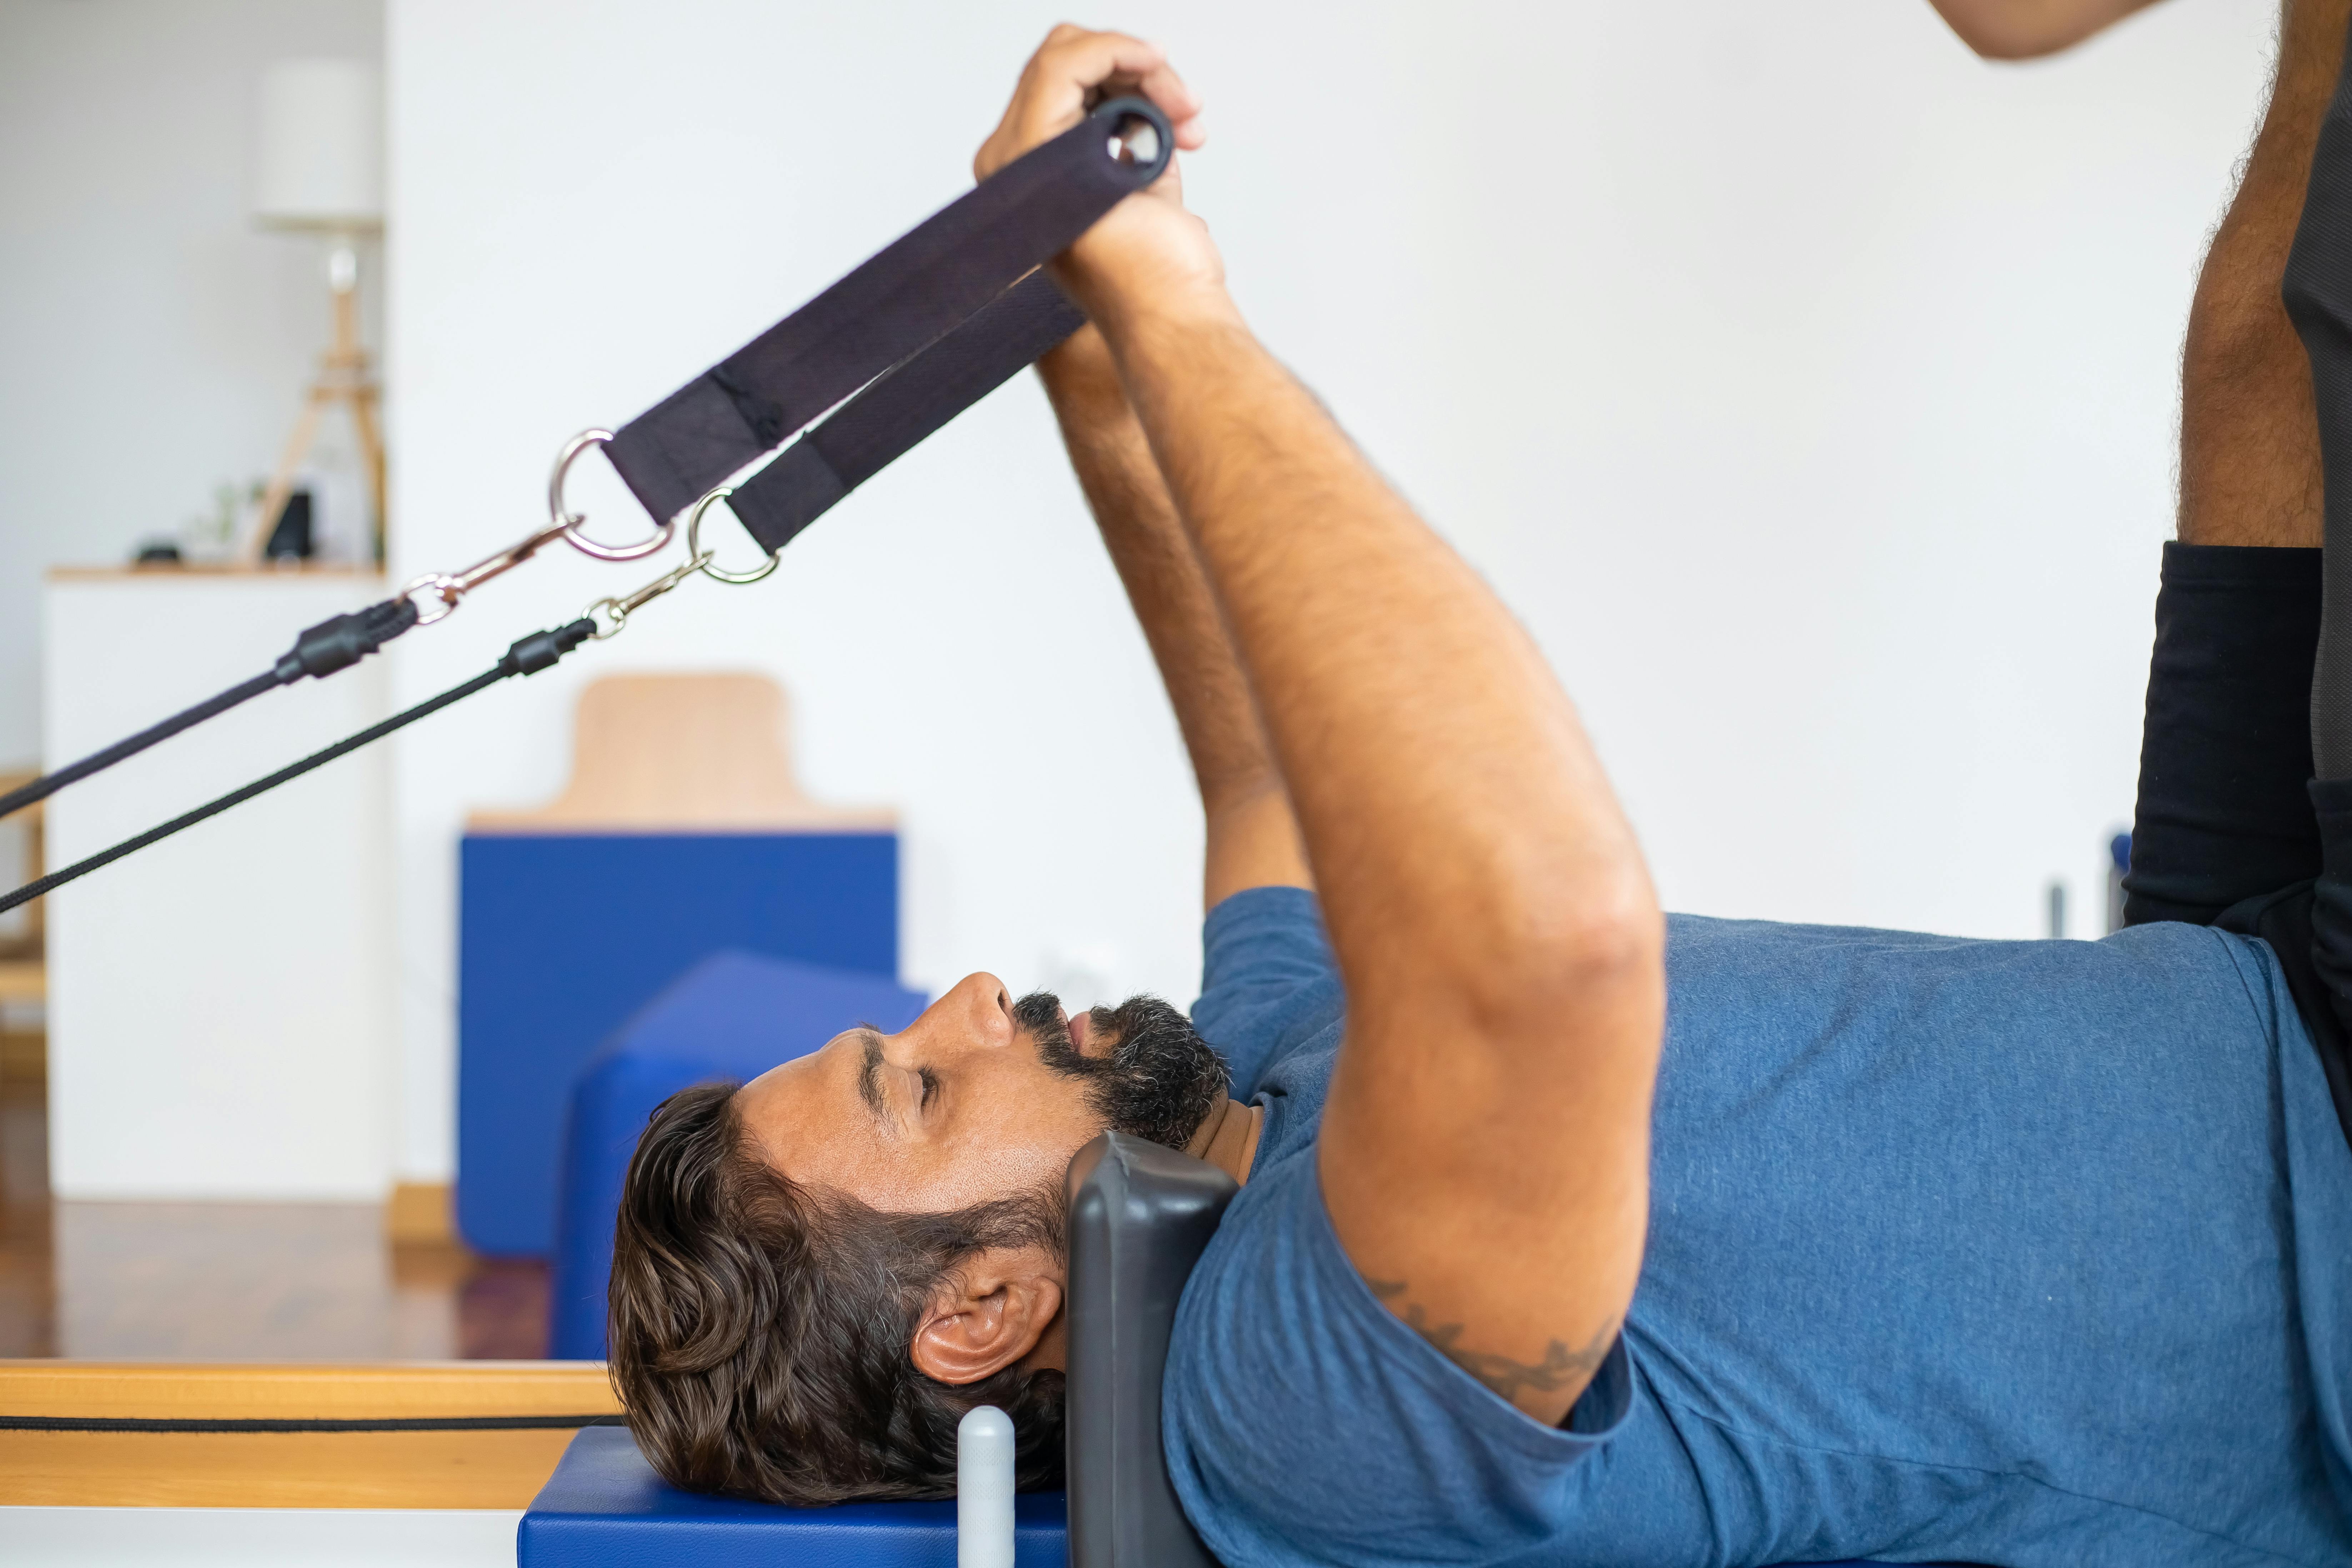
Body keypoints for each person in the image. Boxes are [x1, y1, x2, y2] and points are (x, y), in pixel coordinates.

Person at [605, 14, 2352, 1565]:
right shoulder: (1292, 1401)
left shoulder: (1255, 1091)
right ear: (984, 1310)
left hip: (2236, 979)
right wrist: (1177, 308)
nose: (971, 996)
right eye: (912, 1085)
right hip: (2321, 1232)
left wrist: (1093, 352)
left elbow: (1258, 772)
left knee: (2259, 334)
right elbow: (1549, 935)